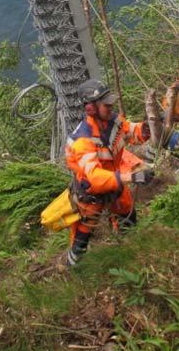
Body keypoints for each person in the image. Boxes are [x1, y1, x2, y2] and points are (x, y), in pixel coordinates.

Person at [64, 79, 154, 268]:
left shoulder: (114, 122)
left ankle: (129, 256)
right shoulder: (82, 140)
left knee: (128, 219)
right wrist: (131, 176)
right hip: (91, 195)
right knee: (81, 240)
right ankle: (73, 271)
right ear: (91, 108)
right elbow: (95, 178)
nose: (111, 106)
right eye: (106, 104)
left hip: (116, 184)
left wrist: (147, 128)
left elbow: (132, 131)